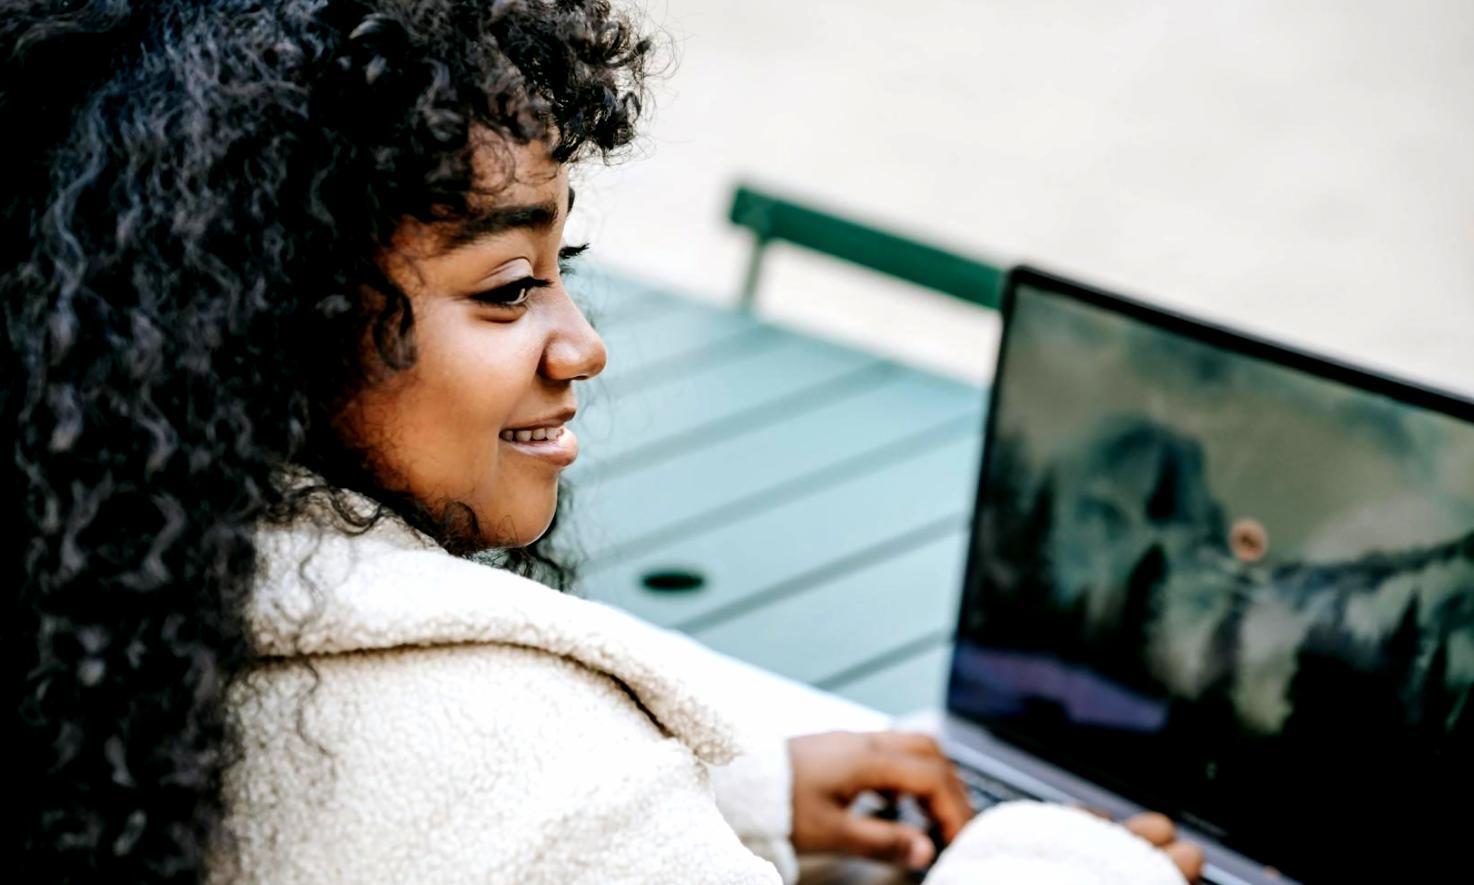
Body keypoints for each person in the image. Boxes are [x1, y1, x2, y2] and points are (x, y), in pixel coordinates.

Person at [8, 1, 1205, 881]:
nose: (582, 345)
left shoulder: (99, 592)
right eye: (508, 286)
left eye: (564, 269)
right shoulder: (542, 781)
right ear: (273, 325)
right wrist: (1060, 862)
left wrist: (738, 789)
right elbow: (508, 809)